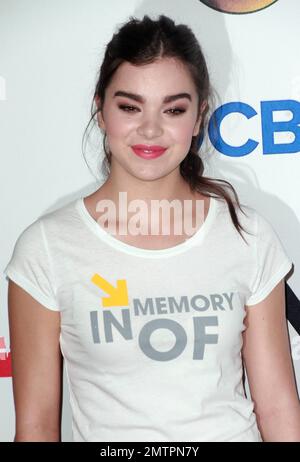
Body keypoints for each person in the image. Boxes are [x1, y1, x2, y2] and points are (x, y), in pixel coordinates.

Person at [4, 14, 300, 443]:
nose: (150, 129)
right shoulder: (46, 248)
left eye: (173, 109)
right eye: (129, 106)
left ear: (199, 119)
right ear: (100, 110)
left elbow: (277, 409)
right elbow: (35, 428)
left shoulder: (247, 234)